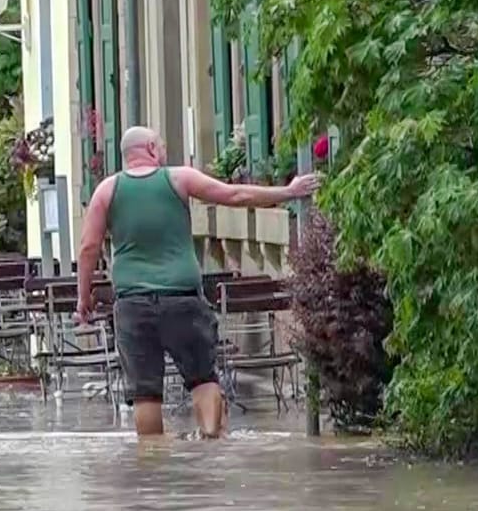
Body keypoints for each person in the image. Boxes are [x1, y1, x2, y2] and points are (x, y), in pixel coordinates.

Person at [76, 126, 322, 439]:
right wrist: (288, 191)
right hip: (183, 300)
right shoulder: (179, 179)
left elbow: (88, 248)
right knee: (203, 380)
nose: (164, 151)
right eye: (162, 146)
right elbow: (235, 195)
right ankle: (210, 447)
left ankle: (152, 464)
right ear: (152, 148)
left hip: (132, 305)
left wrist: (83, 299)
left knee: (146, 394)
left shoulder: (106, 191)